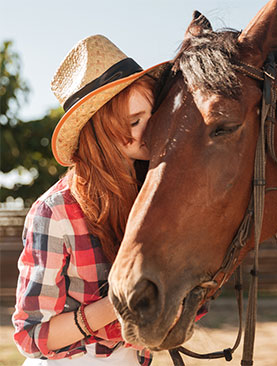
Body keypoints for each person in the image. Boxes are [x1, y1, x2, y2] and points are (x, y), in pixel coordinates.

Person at [12, 34, 169, 365]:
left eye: (152, 114)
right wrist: (119, 303)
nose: (151, 129)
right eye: (135, 122)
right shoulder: (54, 212)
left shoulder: (153, 193)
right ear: (100, 132)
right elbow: (31, 335)